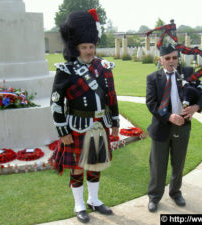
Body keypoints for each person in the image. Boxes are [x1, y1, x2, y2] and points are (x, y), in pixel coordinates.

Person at [49, 9, 119, 223]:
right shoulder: (66, 70)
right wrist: (63, 132)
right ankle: (79, 205)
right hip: (77, 126)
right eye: (84, 47)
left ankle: (94, 200)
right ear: (75, 47)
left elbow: (111, 96)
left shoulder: (104, 67)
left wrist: (115, 122)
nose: (89, 51)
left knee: (95, 165)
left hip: (100, 123)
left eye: (91, 46)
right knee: (78, 167)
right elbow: (56, 103)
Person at [145, 43, 202, 212]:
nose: (172, 61)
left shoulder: (187, 73)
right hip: (161, 127)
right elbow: (151, 103)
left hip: (182, 126)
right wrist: (168, 117)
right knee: (158, 164)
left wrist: (196, 107)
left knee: (178, 162)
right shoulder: (153, 78)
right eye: (168, 58)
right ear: (161, 60)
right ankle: (154, 196)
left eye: (174, 57)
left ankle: (175, 192)